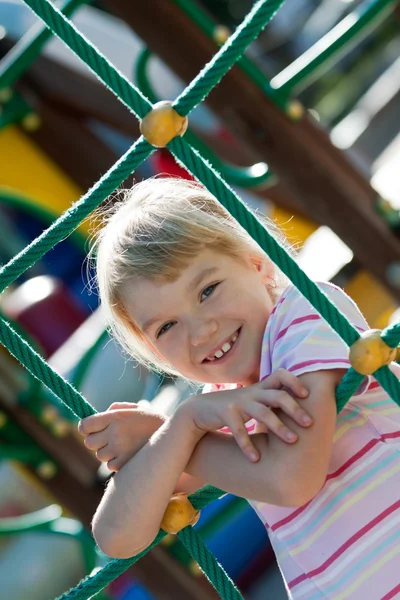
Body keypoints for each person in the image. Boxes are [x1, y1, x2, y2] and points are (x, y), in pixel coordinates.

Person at [79, 177, 400, 599]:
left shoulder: (307, 315)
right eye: (167, 326)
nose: (201, 330)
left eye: (208, 290)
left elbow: (290, 478)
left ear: (258, 264)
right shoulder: (219, 412)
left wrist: (181, 431)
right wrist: (176, 433)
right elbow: (116, 537)